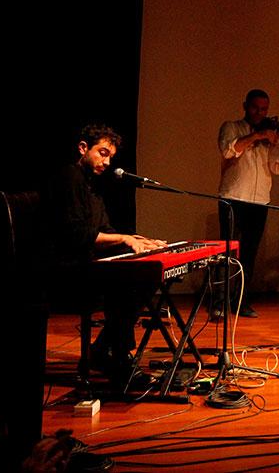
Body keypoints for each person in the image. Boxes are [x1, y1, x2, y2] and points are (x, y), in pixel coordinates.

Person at [44, 124, 167, 385]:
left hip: (85, 261)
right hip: (65, 268)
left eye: (110, 156)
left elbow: (104, 230)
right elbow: (78, 235)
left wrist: (139, 240)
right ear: (83, 148)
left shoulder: (92, 185)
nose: (107, 162)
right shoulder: (70, 177)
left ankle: (105, 351)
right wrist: (123, 239)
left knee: (146, 272)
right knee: (128, 282)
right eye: (102, 153)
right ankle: (116, 356)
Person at [216, 89, 279, 318]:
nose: (259, 113)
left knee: (249, 254)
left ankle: (241, 302)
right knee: (226, 251)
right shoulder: (232, 127)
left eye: (264, 109)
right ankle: (218, 302)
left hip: (259, 201)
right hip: (233, 197)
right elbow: (228, 151)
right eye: (255, 108)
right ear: (245, 106)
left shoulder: (272, 134)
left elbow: (278, 166)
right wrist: (257, 136)